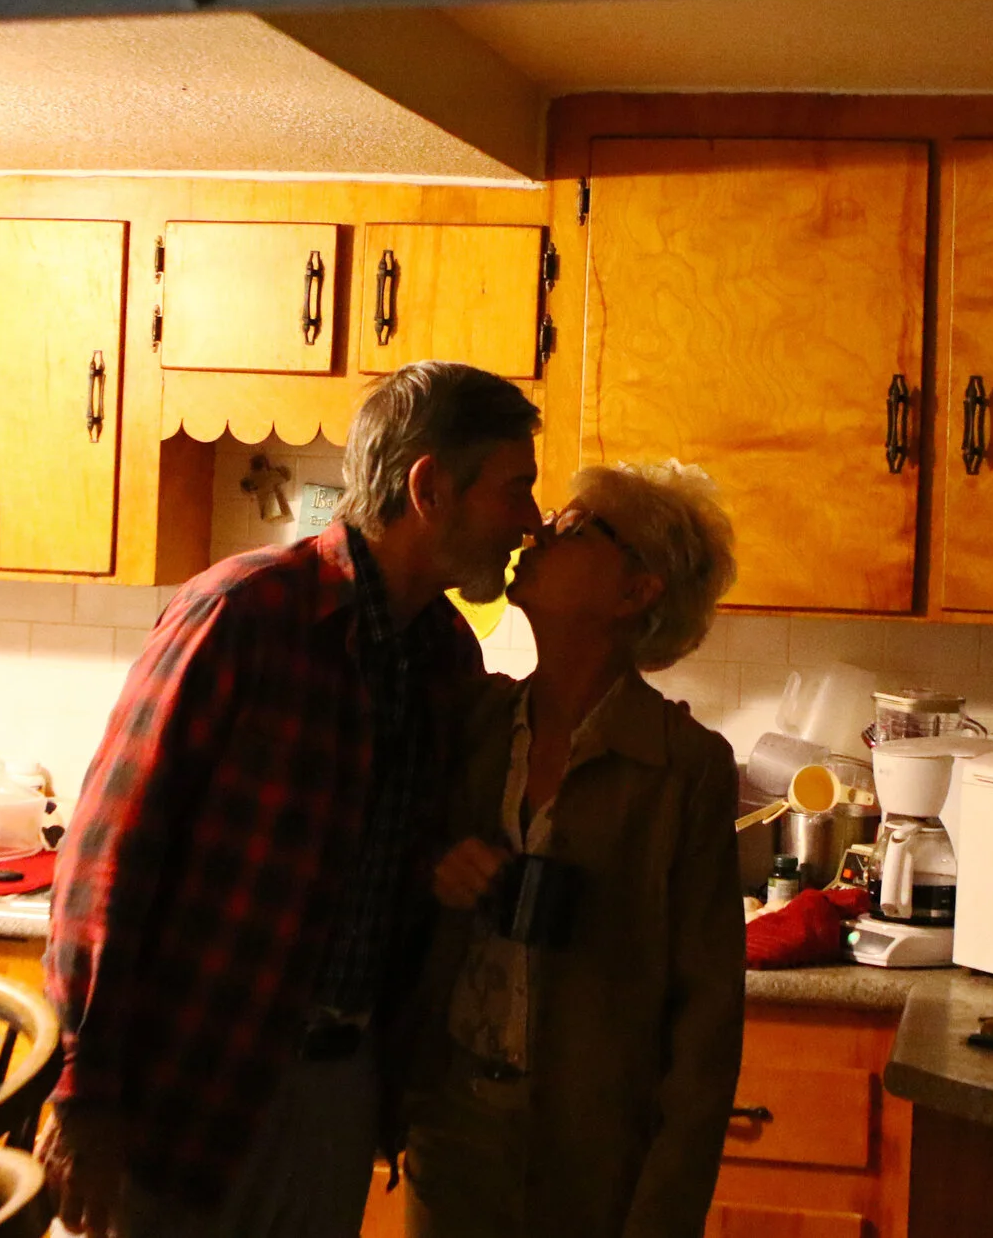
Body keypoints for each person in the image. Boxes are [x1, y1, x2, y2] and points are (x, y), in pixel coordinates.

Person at [39, 361, 543, 1238]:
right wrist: (84, 1091)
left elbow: (369, 844)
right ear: (430, 487)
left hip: (339, 1091)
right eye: (516, 489)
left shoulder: (445, 658)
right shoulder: (242, 614)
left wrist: (440, 863)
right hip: (188, 1081)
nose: (531, 522)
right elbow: (105, 862)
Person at [405, 461, 747, 1238]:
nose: (537, 531)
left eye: (574, 526)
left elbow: (707, 1027)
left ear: (637, 591)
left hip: (593, 1153)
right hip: (453, 1134)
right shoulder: (476, 722)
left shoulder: (682, 766)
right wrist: (436, 867)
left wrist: (664, 1213)